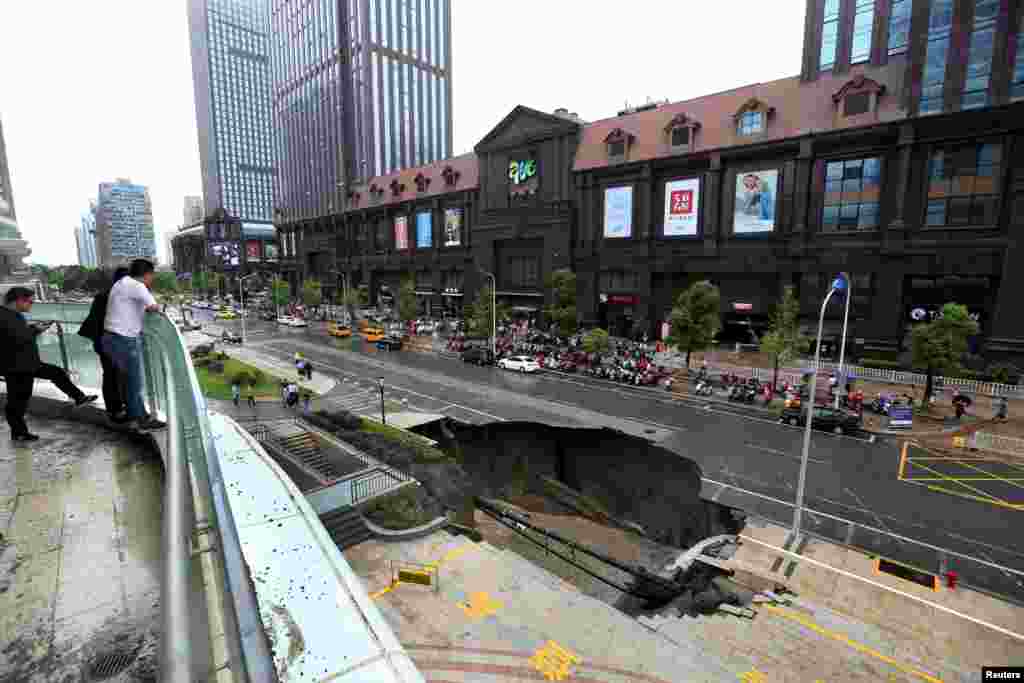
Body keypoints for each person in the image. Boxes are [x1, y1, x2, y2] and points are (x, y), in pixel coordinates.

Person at [0, 287, 98, 441]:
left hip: (28, 363)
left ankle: (79, 397)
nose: (31, 305)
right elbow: (15, 339)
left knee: (56, 372)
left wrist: (34, 329)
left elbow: (19, 335)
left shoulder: (14, 315)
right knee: (17, 401)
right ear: (18, 300)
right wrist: (35, 330)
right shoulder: (4, 316)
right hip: (17, 367)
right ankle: (19, 432)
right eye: (29, 302)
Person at [100, 259, 165, 431]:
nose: (152, 279)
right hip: (124, 339)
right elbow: (154, 307)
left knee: (127, 381)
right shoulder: (137, 286)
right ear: (147, 274)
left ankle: (136, 415)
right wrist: (153, 306)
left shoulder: (121, 283)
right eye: (152, 276)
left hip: (110, 338)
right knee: (134, 383)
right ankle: (140, 420)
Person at [79, 267, 131, 422]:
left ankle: (119, 407)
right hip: (107, 341)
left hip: (106, 341)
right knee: (112, 375)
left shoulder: (110, 295)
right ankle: (115, 410)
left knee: (114, 374)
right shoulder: (109, 297)